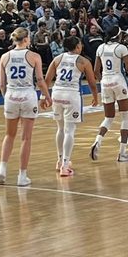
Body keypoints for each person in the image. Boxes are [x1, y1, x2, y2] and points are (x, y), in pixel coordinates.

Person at [0, 28, 52, 186]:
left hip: (11, 95)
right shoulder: (34, 56)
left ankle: (2, 169)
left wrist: (6, 98)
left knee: (9, 135)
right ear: (27, 39)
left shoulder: (4, 57)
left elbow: (1, 84)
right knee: (26, 138)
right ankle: (22, 176)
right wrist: (47, 97)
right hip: (27, 95)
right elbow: (40, 80)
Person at [44, 36, 99, 177]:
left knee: (60, 128)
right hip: (71, 95)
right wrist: (95, 96)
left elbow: (47, 79)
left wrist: (44, 97)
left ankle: (59, 160)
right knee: (70, 130)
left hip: (57, 93)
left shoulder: (58, 59)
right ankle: (65, 165)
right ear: (77, 47)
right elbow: (92, 82)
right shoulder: (84, 61)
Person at [90, 27, 128, 162]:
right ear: (118, 36)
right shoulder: (121, 48)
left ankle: (98, 141)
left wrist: (104, 82)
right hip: (118, 81)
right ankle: (122, 153)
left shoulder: (100, 48)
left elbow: (96, 70)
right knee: (125, 117)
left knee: (108, 117)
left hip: (105, 82)